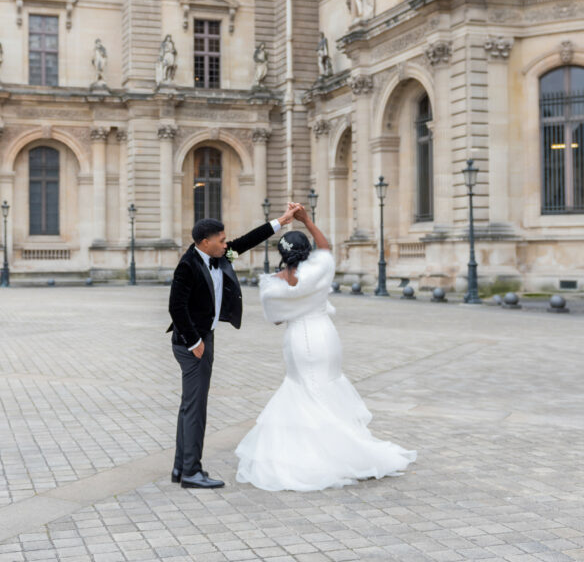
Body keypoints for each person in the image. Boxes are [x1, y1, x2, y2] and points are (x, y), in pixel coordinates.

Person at [235, 206, 416, 491]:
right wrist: (306, 220)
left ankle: (319, 454)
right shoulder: (320, 268)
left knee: (305, 390)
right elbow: (326, 248)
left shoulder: (273, 285)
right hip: (325, 335)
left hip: (299, 338)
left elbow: (276, 318)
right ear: (307, 251)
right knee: (327, 387)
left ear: (282, 254)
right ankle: (346, 448)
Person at [167, 202, 303, 489]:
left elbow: (248, 240)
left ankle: (181, 467)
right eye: (221, 239)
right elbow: (176, 307)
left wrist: (283, 220)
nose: (226, 243)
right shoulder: (188, 265)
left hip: (206, 336)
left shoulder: (218, 255)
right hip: (193, 343)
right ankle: (192, 472)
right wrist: (195, 342)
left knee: (190, 406)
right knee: (196, 408)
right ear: (205, 242)